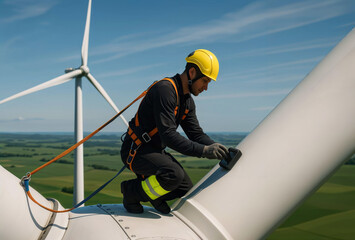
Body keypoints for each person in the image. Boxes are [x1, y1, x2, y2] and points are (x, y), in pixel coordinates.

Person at [120, 49, 229, 214]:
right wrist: (204, 151)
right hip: (135, 151)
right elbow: (168, 135)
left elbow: (196, 134)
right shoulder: (165, 90)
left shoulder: (187, 102)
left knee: (185, 189)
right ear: (192, 72)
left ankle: (154, 196)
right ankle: (131, 192)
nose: (206, 88)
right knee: (173, 174)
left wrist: (217, 147)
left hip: (154, 151)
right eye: (205, 81)